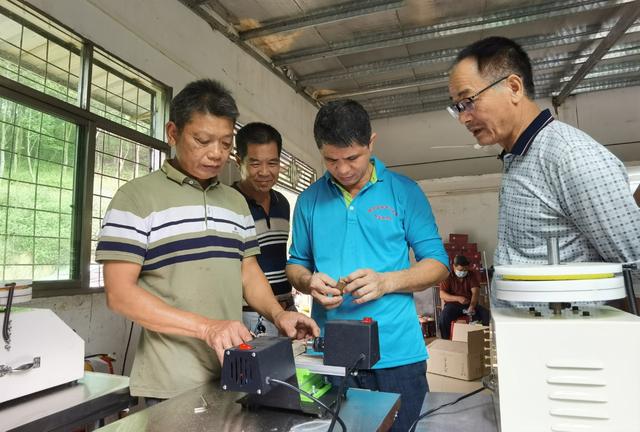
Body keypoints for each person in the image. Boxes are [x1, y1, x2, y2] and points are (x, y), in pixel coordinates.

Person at [96, 79, 319, 402]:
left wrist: (277, 313)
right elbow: (120, 294)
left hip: (235, 371)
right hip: (171, 382)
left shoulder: (234, 202)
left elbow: (248, 272)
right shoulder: (135, 198)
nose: (216, 154)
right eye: (202, 140)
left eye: (226, 144)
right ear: (173, 133)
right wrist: (206, 328)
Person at [286, 100, 449, 432]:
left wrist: (386, 282)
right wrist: (309, 281)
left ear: (371, 143)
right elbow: (295, 265)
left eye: (352, 158)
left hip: (398, 354)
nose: (343, 169)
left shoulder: (404, 192)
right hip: (331, 355)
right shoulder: (309, 200)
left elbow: (439, 264)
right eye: (331, 160)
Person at [447, 36, 640, 269]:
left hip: (570, 307)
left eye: (468, 101)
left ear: (514, 88)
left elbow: (634, 265)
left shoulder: (571, 156)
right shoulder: (517, 158)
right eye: (457, 107)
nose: (463, 118)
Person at [232, 122, 294, 336]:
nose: (265, 172)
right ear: (238, 161)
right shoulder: (228, 203)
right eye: (255, 164)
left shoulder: (282, 202)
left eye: (272, 163)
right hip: (248, 313)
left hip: (286, 307)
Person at [438, 255, 490, 340]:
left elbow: (475, 292)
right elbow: (442, 294)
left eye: (465, 270)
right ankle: (446, 340)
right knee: (444, 317)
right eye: (461, 270)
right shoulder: (447, 276)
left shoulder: (471, 275)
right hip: (453, 306)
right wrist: (458, 298)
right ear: (454, 266)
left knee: (486, 314)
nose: (463, 272)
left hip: (470, 305)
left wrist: (472, 306)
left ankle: (484, 340)